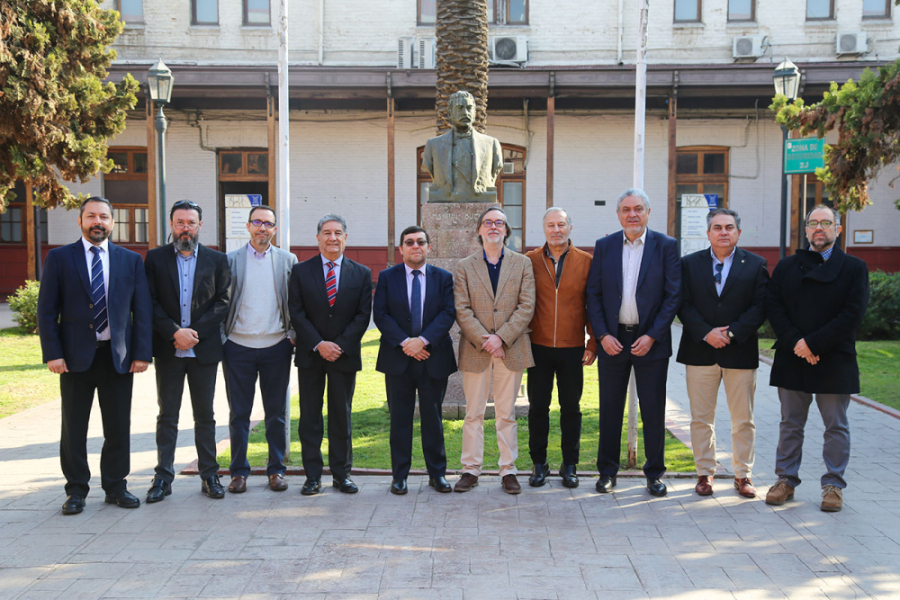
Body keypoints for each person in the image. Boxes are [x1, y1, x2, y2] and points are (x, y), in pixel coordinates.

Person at [37, 197, 152, 515]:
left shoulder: (130, 260)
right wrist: (53, 353)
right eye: (91, 216)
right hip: (74, 360)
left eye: (103, 216)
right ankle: (75, 490)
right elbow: (46, 311)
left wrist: (142, 353)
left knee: (118, 426)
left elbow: (141, 311)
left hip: (117, 359)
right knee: (74, 427)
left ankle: (116, 486)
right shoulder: (59, 258)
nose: (97, 221)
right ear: (80, 221)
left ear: (112, 222)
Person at [765, 205, 869, 513]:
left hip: (834, 356)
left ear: (838, 229)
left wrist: (812, 343)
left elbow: (852, 314)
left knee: (836, 425)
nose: (819, 228)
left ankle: (833, 485)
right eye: (813, 223)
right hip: (793, 354)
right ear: (806, 229)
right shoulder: (786, 267)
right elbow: (774, 307)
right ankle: (785, 480)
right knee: (790, 423)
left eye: (826, 222)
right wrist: (798, 343)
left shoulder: (854, 267)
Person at [586, 188, 681, 497]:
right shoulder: (604, 246)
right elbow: (594, 295)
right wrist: (602, 335)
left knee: (653, 410)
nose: (632, 214)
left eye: (638, 208)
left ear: (648, 213)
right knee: (610, 408)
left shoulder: (666, 246)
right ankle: (608, 472)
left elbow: (672, 296)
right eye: (626, 209)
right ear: (618, 214)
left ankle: (654, 474)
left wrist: (652, 335)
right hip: (613, 340)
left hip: (650, 341)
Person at [144, 200, 232, 502]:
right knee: (167, 416)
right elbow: (149, 302)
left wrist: (194, 334)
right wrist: (174, 333)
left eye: (190, 223)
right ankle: (163, 478)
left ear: (199, 226)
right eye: (180, 222)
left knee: (205, 416)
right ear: (172, 224)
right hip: (169, 350)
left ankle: (210, 475)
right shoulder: (154, 259)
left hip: (203, 350)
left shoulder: (217, 260)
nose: (185, 228)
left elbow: (223, 301)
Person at [676, 208, 768, 498]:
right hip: (699, 350)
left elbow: (760, 306)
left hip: (739, 351)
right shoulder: (689, 264)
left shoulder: (755, 264)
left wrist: (730, 333)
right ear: (708, 233)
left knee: (743, 419)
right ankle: (705, 473)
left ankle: (743, 475)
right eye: (717, 227)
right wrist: (706, 332)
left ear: (738, 232)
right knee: (701, 418)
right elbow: (683, 304)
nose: (723, 232)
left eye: (729, 227)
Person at [453, 206, 535, 494]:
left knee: (506, 413)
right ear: (479, 230)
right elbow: (461, 309)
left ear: (506, 230)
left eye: (499, 222)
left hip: (509, 348)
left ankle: (508, 470)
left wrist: (501, 338)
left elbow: (527, 306)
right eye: (488, 222)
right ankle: (470, 469)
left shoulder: (522, 264)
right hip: (476, 349)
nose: (493, 227)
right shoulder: (464, 266)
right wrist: (485, 339)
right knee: (473, 413)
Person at [289, 214, 373, 495]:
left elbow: (363, 316)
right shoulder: (301, 271)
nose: (332, 238)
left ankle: (342, 474)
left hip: (343, 356)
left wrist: (338, 345)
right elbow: (296, 312)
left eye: (338, 232)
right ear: (318, 238)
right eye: (327, 232)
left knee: (341, 416)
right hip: (311, 356)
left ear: (346, 238)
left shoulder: (360, 273)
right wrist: (318, 343)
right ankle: (312, 476)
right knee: (310, 417)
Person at [373, 226, 457, 495]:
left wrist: (422, 341)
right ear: (401, 249)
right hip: (398, 359)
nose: (415, 246)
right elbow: (382, 314)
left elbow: (447, 313)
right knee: (400, 419)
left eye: (421, 242)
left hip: (433, 357)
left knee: (433, 418)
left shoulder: (443, 277)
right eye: (409, 242)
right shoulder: (387, 277)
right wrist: (406, 343)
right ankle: (399, 476)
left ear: (429, 247)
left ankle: (437, 474)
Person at [222, 205, 298, 494]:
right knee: (239, 414)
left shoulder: (287, 260)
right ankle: (238, 473)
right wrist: (223, 339)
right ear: (249, 226)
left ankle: (276, 471)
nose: (262, 228)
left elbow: (295, 302)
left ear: (275, 229)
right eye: (257, 222)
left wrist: (291, 334)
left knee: (276, 413)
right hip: (237, 347)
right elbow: (221, 303)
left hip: (276, 347)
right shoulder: (230, 260)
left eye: (268, 224)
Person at [524, 207, 597, 488]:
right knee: (537, 408)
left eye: (561, 224)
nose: (556, 229)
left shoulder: (586, 261)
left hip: (573, 347)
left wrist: (593, 342)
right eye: (551, 225)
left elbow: (593, 304)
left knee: (571, 408)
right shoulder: (529, 260)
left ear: (570, 228)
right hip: (538, 347)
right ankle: (539, 464)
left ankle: (570, 465)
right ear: (544, 229)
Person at [421, 90, 503, 202]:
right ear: (450, 113)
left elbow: (496, 168)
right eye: (460, 108)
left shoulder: (491, 144)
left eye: (469, 108)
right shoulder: (433, 145)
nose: (465, 113)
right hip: (444, 197)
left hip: (481, 197)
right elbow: (429, 167)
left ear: (474, 113)